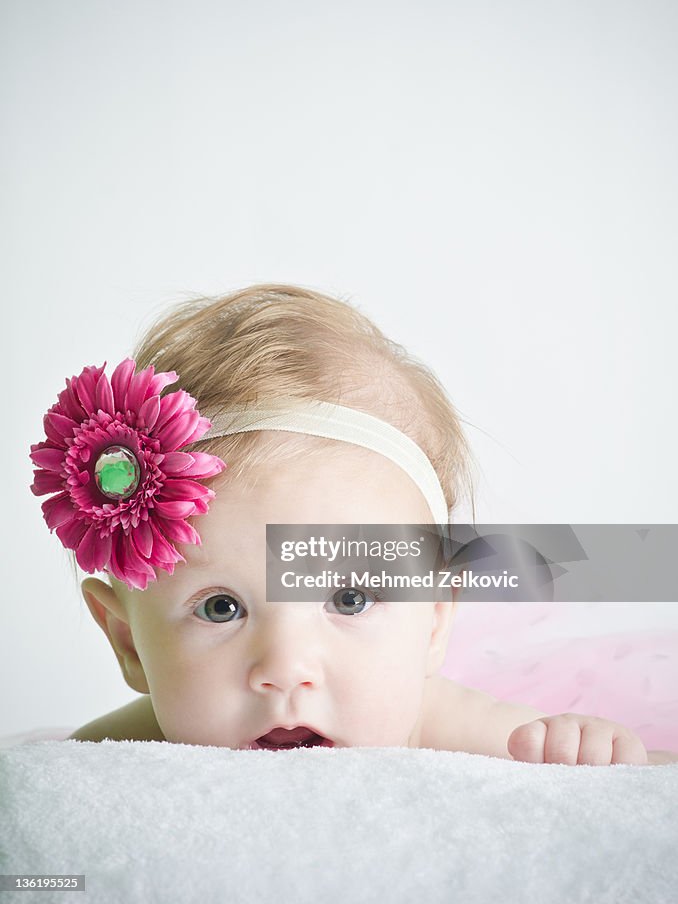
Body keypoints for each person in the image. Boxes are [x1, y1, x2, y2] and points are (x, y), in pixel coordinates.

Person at [29, 283, 677, 764]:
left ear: (432, 624)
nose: (285, 668)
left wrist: (588, 753)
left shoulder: (464, 730)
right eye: (221, 608)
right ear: (130, 644)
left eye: (350, 597)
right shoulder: (119, 753)